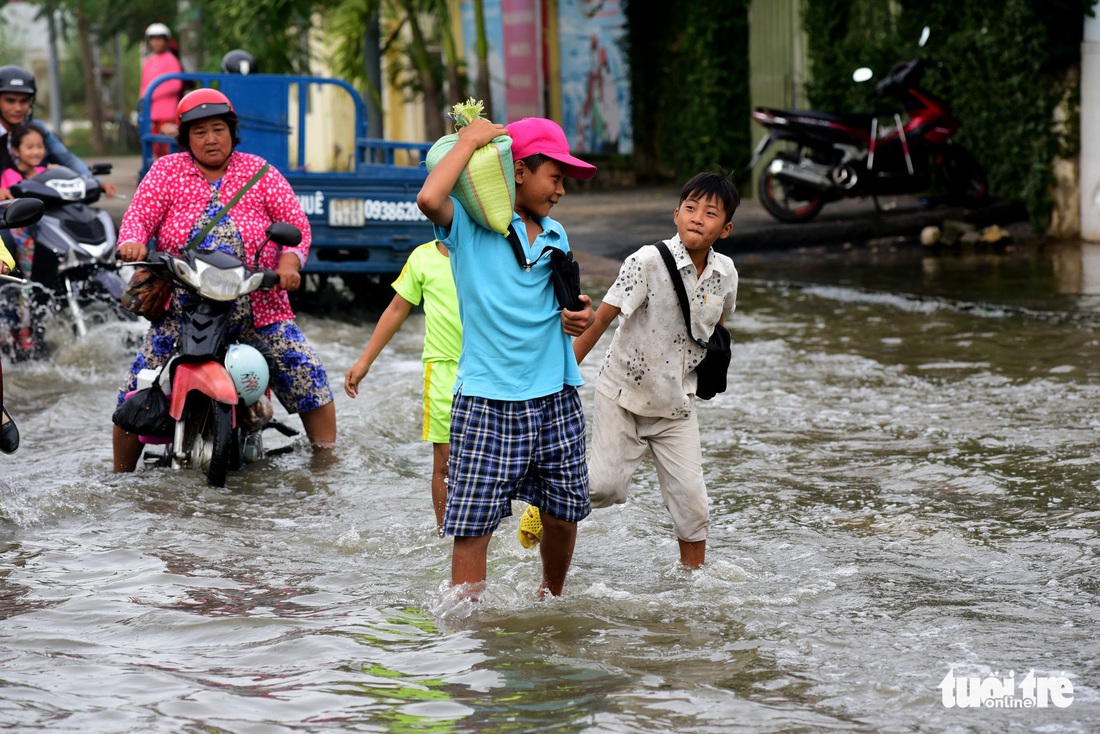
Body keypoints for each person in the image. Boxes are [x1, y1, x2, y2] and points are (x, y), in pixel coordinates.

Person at [416, 115, 597, 598]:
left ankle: (550, 596)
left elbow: (566, 307)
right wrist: (472, 139)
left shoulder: (556, 234)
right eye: (555, 177)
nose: (560, 190)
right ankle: (467, 631)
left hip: (556, 395)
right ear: (519, 170)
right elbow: (429, 199)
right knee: (473, 526)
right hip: (487, 400)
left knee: (563, 514)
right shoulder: (470, 229)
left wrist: (579, 317)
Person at [113, 88, 336, 472]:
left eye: (218, 129)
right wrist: (132, 243)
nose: (211, 139)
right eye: (199, 132)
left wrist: (288, 265)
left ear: (232, 131)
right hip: (183, 310)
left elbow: (297, 225)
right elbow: (138, 218)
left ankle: (328, 462)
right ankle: (118, 478)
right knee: (138, 386)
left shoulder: (261, 172)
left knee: (306, 373)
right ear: (186, 139)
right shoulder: (165, 172)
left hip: (258, 307)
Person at [572, 172, 740, 569]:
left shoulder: (726, 274)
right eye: (690, 208)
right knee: (603, 488)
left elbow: (718, 324)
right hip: (622, 394)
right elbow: (599, 322)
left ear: (726, 228)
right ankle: (547, 508)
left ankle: (693, 587)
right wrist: (558, 373)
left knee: (693, 505)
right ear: (676, 214)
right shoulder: (646, 261)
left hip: (676, 405)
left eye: (710, 213)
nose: (698, 217)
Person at [344, 240, 460, 533]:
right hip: (442, 369)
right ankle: (444, 534)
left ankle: (485, 532)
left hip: (490, 367)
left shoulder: (488, 250)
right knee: (445, 463)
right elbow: (396, 310)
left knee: (489, 462)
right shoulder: (422, 258)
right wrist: (364, 362)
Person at [0, 65, 117, 200]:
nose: (18, 108)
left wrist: (95, 181)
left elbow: (66, 159)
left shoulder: (36, 130)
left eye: (24, 101)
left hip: (38, 203)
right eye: (10, 101)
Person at [140, 23, 183, 159]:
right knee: (154, 148)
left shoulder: (171, 60)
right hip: (151, 114)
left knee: (168, 149)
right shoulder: (149, 62)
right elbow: (144, 85)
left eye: (160, 39)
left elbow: (176, 85)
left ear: (166, 41)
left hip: (168, 113)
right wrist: (142, 101)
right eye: (153, 39)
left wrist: (151, 93)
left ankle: (170, 176)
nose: (156, 42)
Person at [0, 124, 47, 190]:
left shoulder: (45, 172)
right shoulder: (9, 175)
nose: (36, 152)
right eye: (30, 147)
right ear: (16, 151)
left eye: (40, 146)